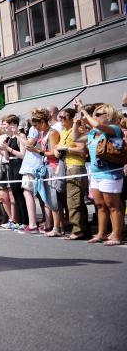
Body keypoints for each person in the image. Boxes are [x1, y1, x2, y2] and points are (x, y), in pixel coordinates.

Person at [76, 99, 124, 246]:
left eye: (98, 114)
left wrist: (83, 111)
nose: (94, 116)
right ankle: (101, 234)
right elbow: (76, 138)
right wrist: (76, 123)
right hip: (96, 173)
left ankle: (117, 235)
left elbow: (96, 125)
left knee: (113, 205)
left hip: (110, 173)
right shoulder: (94, 133)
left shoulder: (114, 129)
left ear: (108, 115)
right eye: (94, 114)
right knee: (100, 205)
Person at [54, 108, 90, 240]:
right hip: (67, 167)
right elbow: (59, 147)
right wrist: (56, 150)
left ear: (72, 119)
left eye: (64, 117)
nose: (61, 119)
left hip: (76, 167)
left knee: (73, 200)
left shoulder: (77, 130)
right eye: (59, 117)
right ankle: (84, 229)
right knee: (76, 200)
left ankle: (78, 230)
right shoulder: (63, 131)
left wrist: (66, 148)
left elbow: (82, 150)